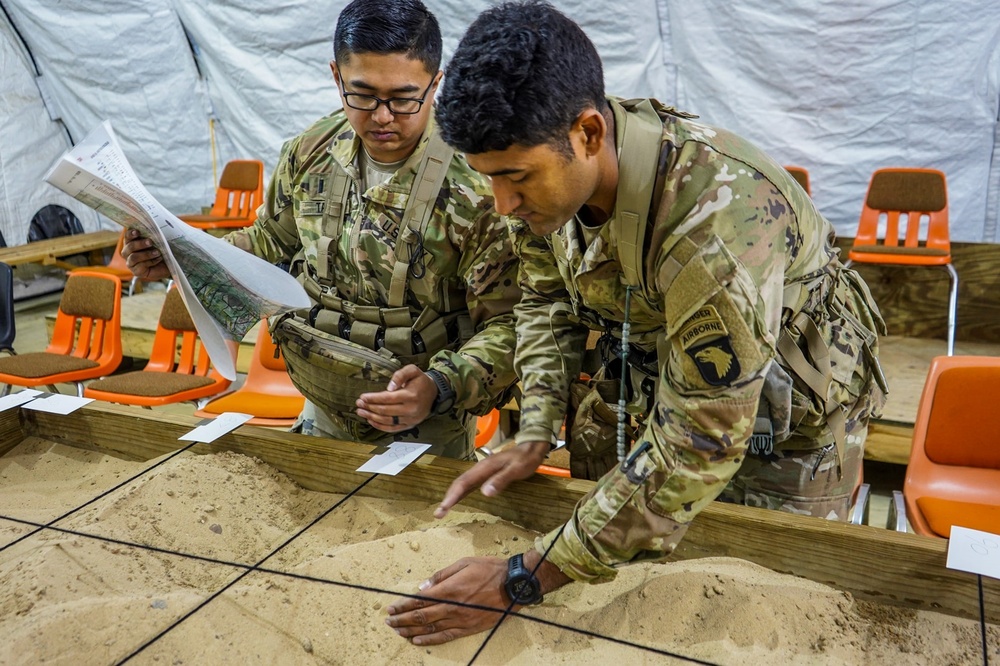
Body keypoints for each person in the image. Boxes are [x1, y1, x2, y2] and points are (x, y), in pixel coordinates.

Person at [384, 0, 887, 644]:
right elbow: (545, 304)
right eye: (488, 180)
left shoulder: (716, 224)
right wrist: (536, 426)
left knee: (767, 613)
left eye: (514, 178)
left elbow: (703, 440)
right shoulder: (550, 180)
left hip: (781, 440)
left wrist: (524, 576)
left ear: (589, 134)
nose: (502, 205)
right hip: (665, 397)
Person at [122, 0, 520, 460]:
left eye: (404, 98)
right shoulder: (310, 153)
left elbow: (511, 322)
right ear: (336, 77)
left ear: (437, 83)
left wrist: (439, 384)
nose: (383, 116)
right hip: (321, 408)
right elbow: (267, 245)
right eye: (363, 94)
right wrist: (178, 256)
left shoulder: (476, 186)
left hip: (424, 427)